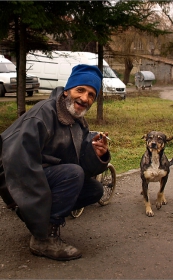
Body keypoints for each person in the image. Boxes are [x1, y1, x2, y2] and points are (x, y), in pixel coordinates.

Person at [0, 64, 111, 261]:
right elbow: (19, 162)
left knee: (94, 190)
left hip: (41, 175)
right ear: (68, 90)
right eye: (80, 90)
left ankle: (35, 218)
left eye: (91, 95)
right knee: (72, 174)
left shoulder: (78, 122)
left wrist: (97, 155)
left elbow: (82, 168)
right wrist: (30, 207)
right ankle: (43, 239)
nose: (85, 98)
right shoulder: (44, 113)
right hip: (13, 177)